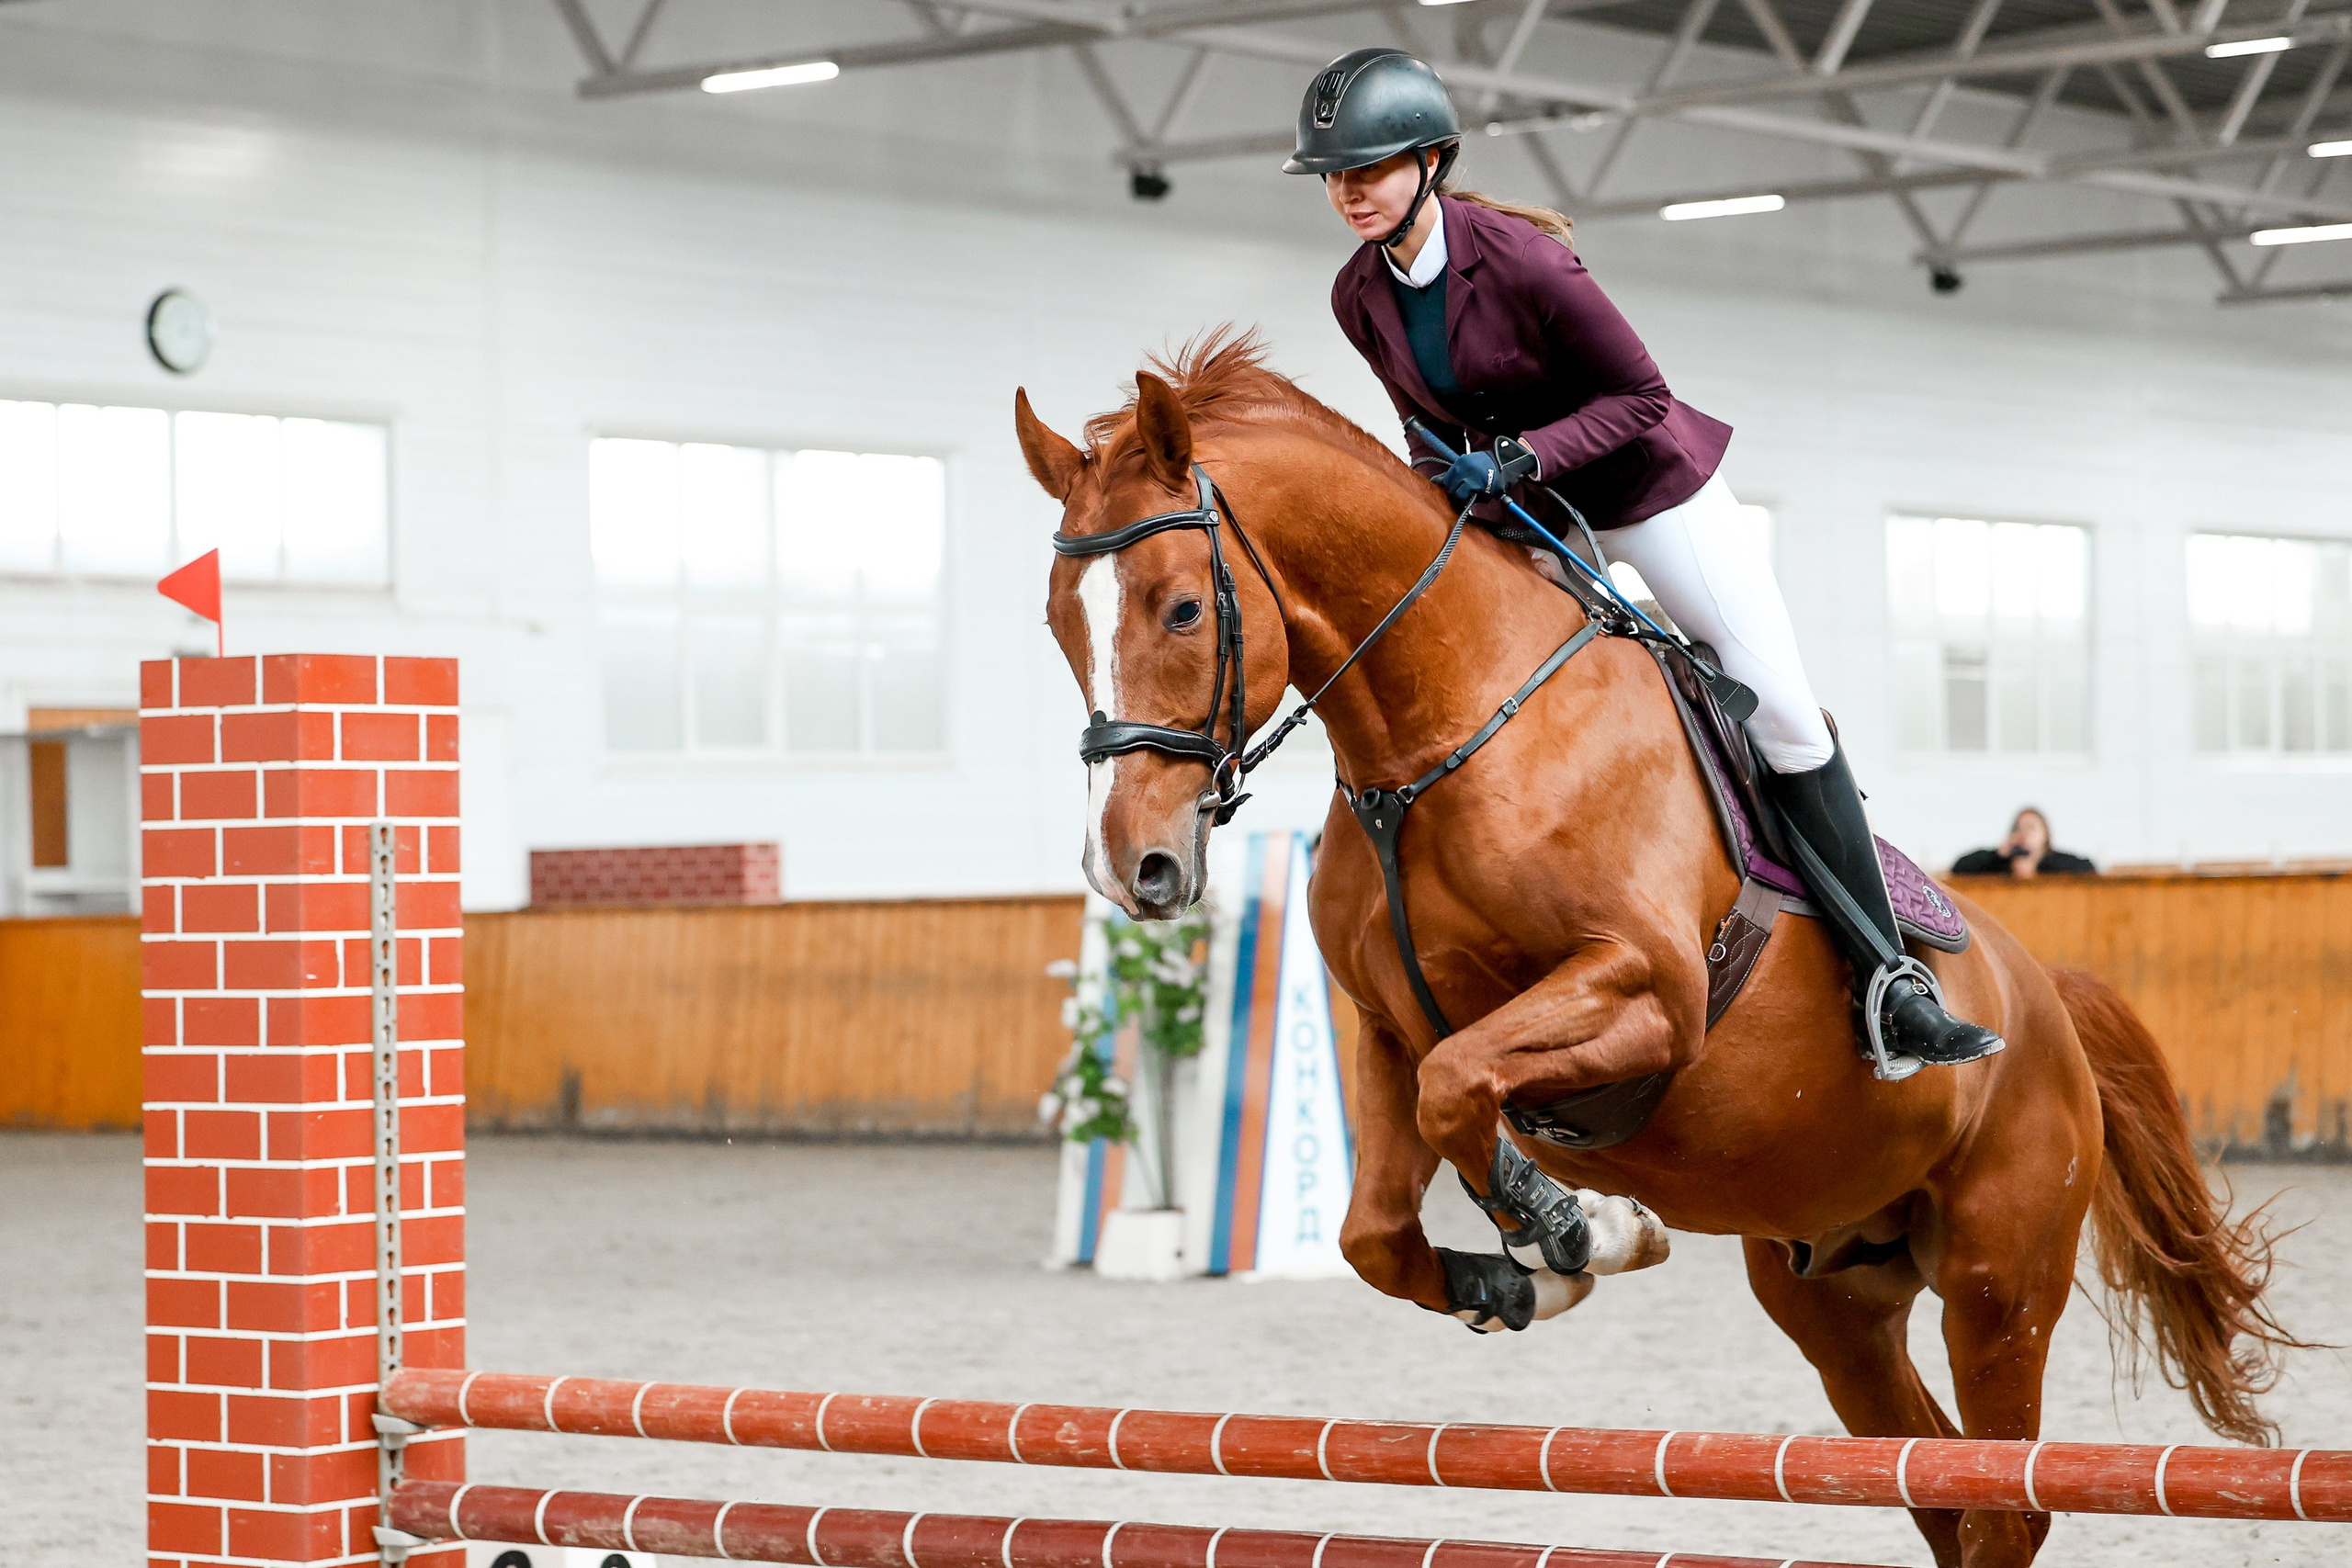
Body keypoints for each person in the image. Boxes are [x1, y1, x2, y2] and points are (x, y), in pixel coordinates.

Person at [1285, 47, 2001, 1071]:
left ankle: (1890, 980)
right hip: (1528, 512)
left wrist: (1525, 458)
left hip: (1649, 497)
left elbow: (1641, 399)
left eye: (1371, 168)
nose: (1350, 192)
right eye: (1335, 177)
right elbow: (1421, 434)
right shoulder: (1356, 294)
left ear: (1432, 162)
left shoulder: (1522, 260)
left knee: (1784, 713)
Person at [1951, 809, 2097, 878]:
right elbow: (1959, 868)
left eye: (2031, 828)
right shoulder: (1999, 861)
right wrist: (1997, 856)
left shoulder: (2055, 861)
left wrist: (2035, 870)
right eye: (2018, 829)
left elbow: (2088, 869)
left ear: (2045, 834)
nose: (2023, 834)